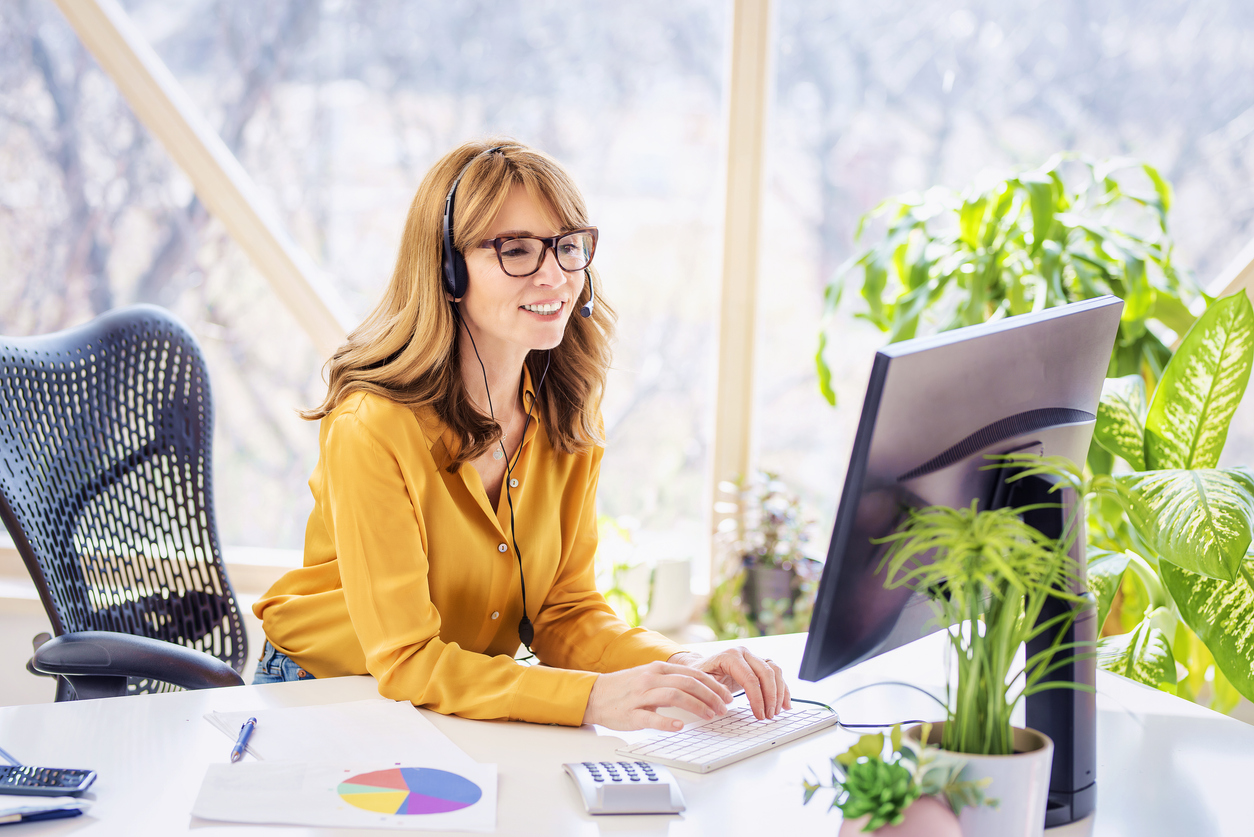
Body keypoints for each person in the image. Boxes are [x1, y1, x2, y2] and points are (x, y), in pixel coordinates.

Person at [252, 139, 790, 732]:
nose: (555, 275)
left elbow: (565, 612)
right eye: (516, 251)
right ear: (448, 270)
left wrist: (681, 664)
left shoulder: (566, 408)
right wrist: (590, 699)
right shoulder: (372, 426)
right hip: (323, 694)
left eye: (567, 247)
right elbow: (407, 660)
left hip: (459, 697)